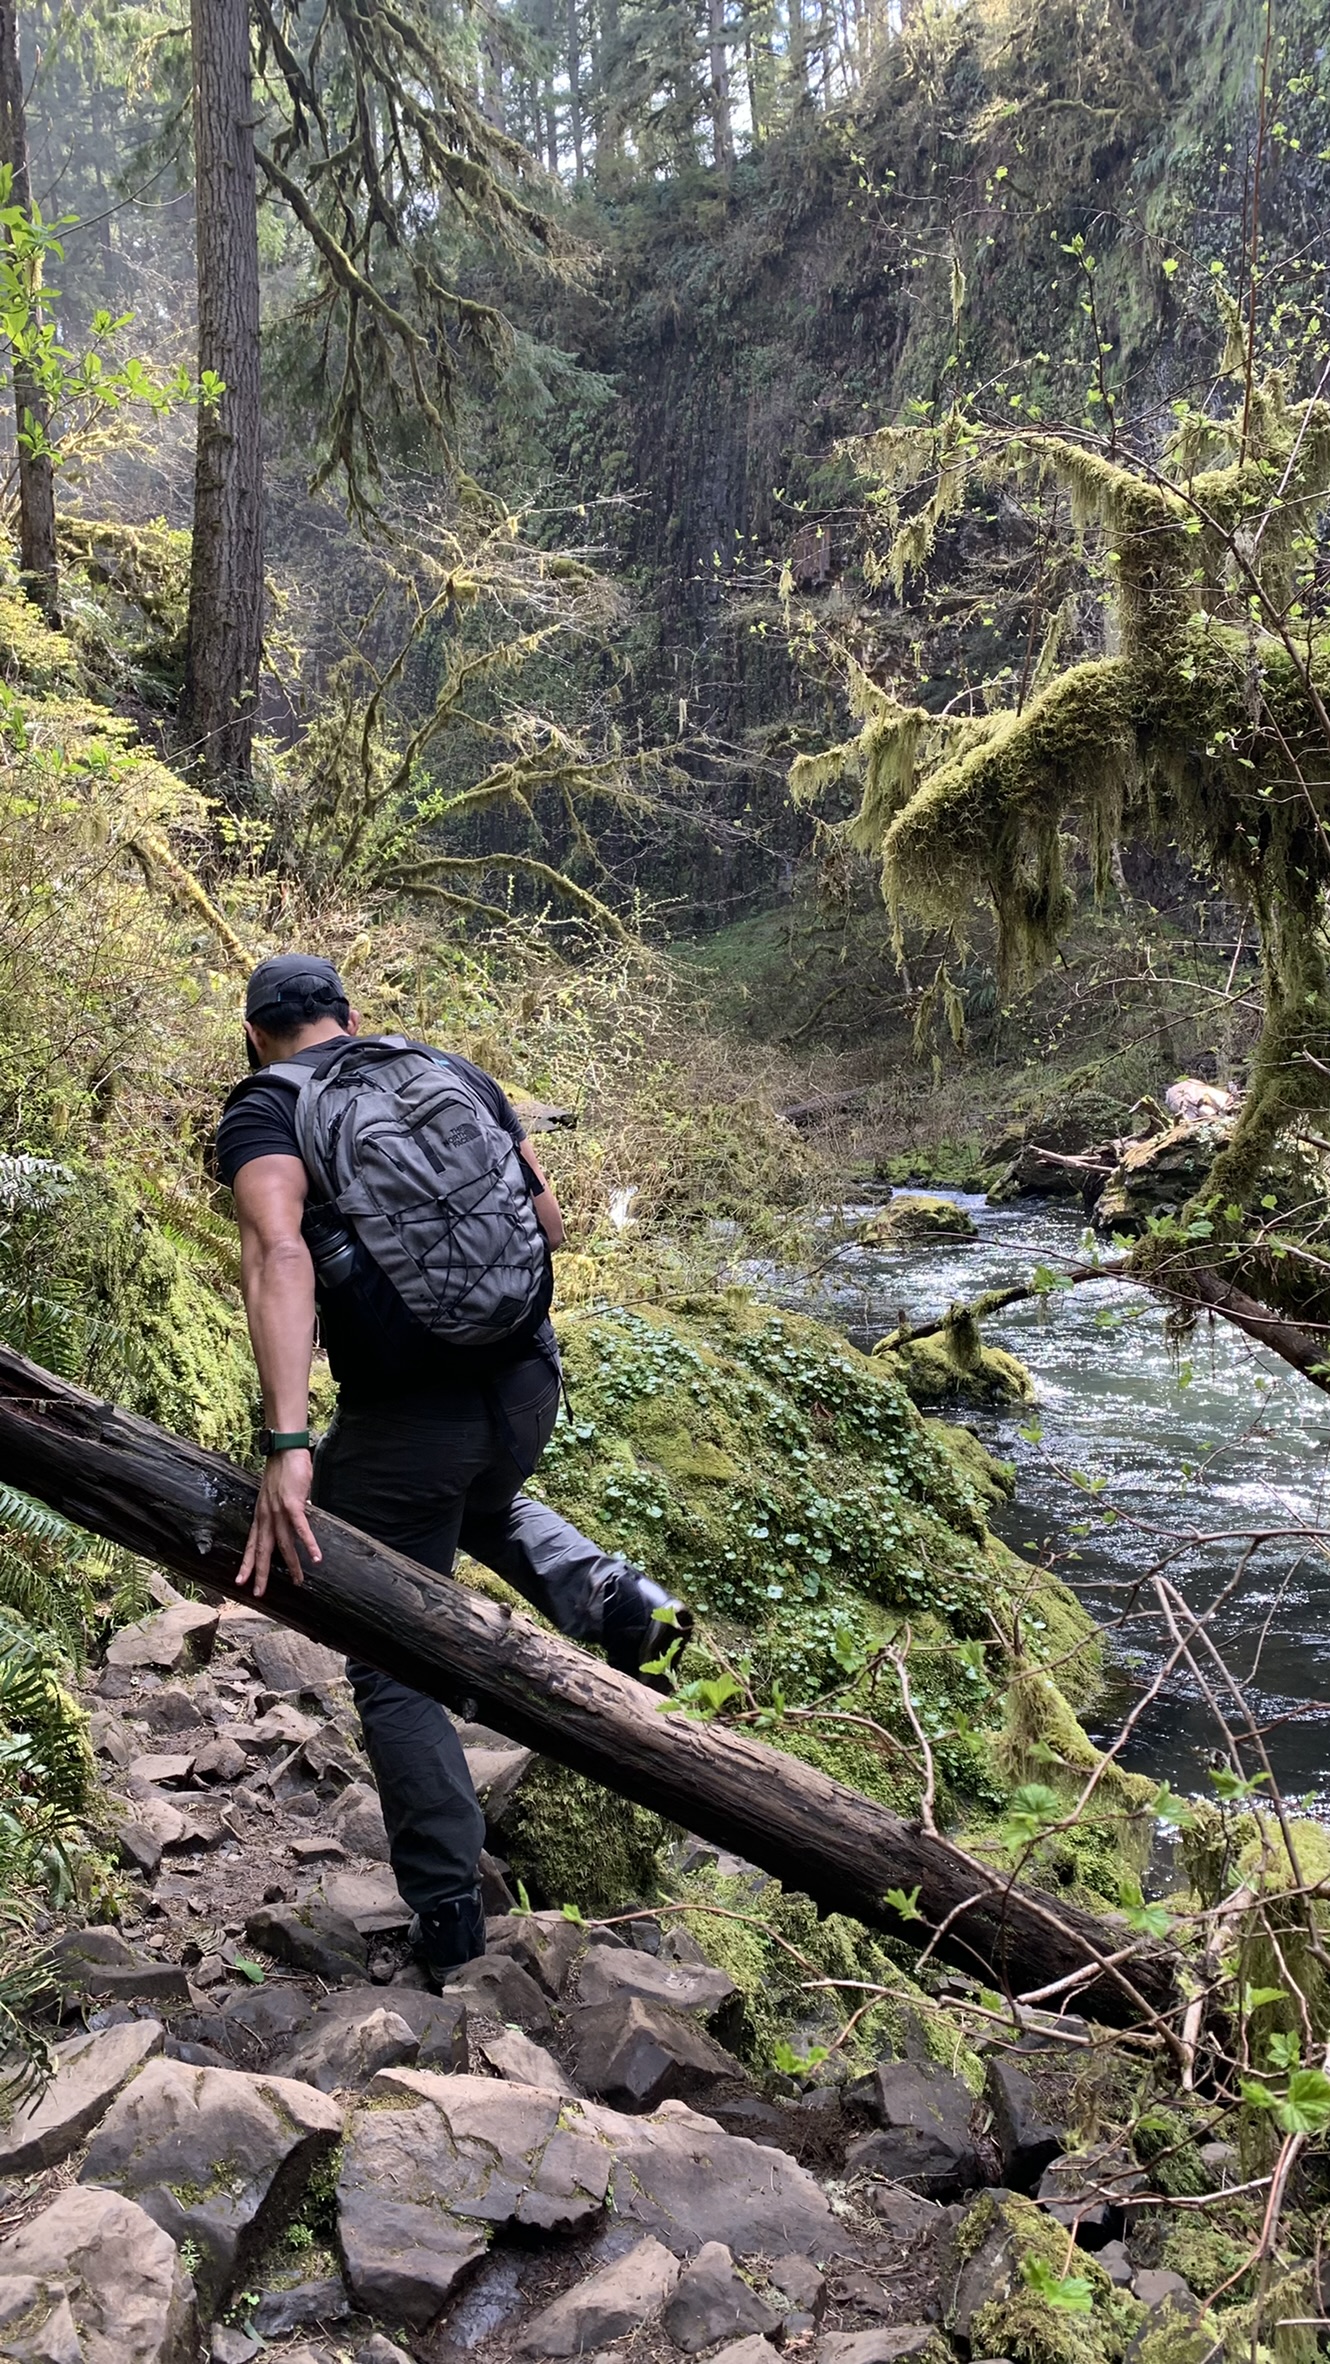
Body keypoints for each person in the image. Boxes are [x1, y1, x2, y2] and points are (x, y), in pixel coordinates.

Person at [213, 953, 685, 1983]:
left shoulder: (265, 1112)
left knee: (386, 1648)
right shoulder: (446, 1068)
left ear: (256, 1033)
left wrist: (288, 1446)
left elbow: (278, 1258)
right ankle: (627, 1608)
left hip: (408, 1411)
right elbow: (549, 1223)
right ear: (351, 1015)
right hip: (524, 1380)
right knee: (477, 1495)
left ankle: (446, 1911)